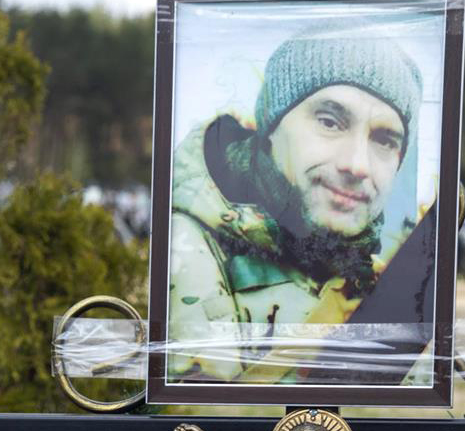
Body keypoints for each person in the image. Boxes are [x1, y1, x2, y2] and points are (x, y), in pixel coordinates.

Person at [166, 28, 424, 382]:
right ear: (271, 128)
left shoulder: (379, 280)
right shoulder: (186, 248)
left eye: (384, 140)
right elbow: (200, 413)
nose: (357, 165)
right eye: (330, 122)